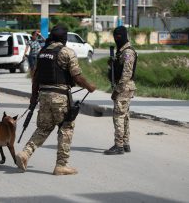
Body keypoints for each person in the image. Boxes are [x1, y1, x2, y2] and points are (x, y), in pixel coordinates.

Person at [16, 24, 96, 175]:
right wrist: (89, 87)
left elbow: (36, 80)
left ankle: (25, 153)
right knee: (66, 128)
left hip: (44, 96)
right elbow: (77, 76)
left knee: (44, 128)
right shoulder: (67, 52)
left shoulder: (43, 52)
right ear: (64, 38)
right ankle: (61, 165)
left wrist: (33, 99)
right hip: (60, 96)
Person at [104, 26, 138, 155]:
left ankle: (119, 145)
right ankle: (125, 143)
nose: (116, 39)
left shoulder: (128, 52)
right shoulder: (121, 51)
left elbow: (126, 74)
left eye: (118, 37)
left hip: (124, 87)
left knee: (119, 116)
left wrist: (117, 90)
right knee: (124, 116)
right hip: (125, 87)